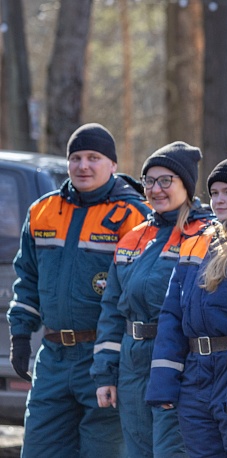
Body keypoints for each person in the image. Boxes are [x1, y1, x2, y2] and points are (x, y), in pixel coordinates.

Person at [7, 123, 150, 457]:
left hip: (104, 360)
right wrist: (19, 335)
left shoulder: (134, 217)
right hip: (53, 357)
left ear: (112, 164)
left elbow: (141, 295)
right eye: (76, 157)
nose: (83, 165)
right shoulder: (41, 211)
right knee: (39, 449)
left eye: (93, 157)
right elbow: (27, 278)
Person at [145, 157, 227, 457]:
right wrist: (163, 382)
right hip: (195, 376)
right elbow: (171, 316)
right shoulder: (195, 241)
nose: (219, 200)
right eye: (214, 192)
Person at [92, 141, 211, 458]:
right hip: (132, 366)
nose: (156, 189)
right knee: (137, 451)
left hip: (178, 363)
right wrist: (105, 373)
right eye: (149, 180)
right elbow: (112, 311)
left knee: (174, 450)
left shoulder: (206, 234)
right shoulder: (132, 237)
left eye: (165, 181)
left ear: (185, 184)